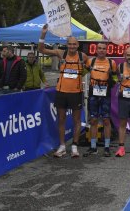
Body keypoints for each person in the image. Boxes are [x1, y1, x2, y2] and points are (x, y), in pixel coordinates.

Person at [38, 24, 88, 158]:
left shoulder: (83, 56)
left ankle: (75, 146)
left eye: (74, 44)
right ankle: (62, 146)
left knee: (77, 120)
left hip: (76, 92)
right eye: (70, 44)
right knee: (61, 119)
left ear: (78, 45)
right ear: (67, 45)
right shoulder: (61, 53)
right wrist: (43, 34)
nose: (72, 46)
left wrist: (82, 73)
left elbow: (90, 68)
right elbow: (41, 49)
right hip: (61, 91)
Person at [83, 42, 117, 157]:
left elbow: (116, 77)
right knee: (93, 120)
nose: (101, 50)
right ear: (96, 50)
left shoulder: (111, 63)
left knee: (106, 120)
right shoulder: (91, 61)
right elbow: (82, 72)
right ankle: (93, 147)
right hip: (93, 94)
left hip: (105, 93)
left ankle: (107, 147)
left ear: (106, 51)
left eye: (103, 49)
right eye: (100, 48)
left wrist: (112, 81)